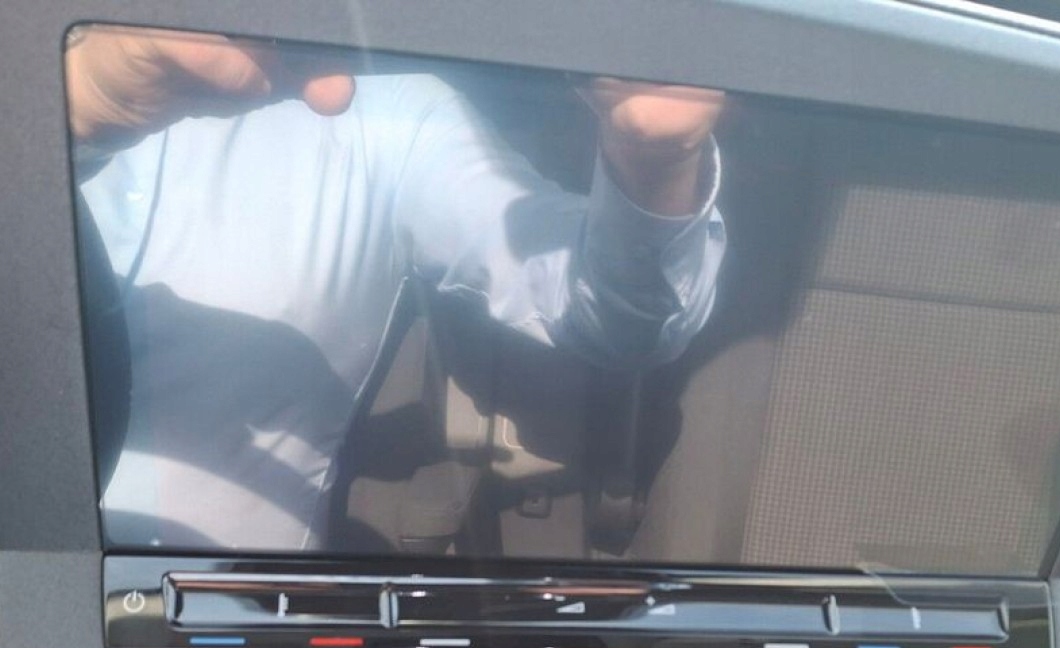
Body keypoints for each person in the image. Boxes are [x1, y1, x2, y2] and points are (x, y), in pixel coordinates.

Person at [68, 25, 726, 551]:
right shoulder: (18, 54)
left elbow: (616, 321)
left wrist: (655, 165)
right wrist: (75, 110)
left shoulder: (384, 111)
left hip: (207, 645)